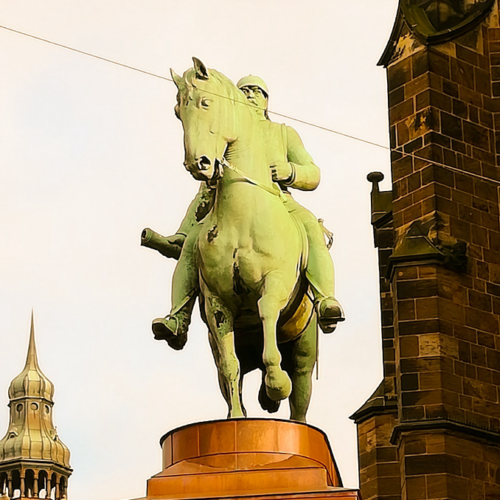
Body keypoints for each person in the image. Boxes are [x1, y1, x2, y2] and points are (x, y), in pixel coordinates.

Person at [152, 75, 344, 349]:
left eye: (257, 91)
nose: (250, 95)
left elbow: (313, 174)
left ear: (266, 101)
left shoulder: (282, 132)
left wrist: (291, 172)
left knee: (311, 226)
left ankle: (325, 299)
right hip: (226, 207)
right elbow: (205, 188)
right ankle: (179, 316)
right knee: (193, 243)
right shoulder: (226, 130)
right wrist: (185, 229)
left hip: (279, 200)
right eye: (244, 91)